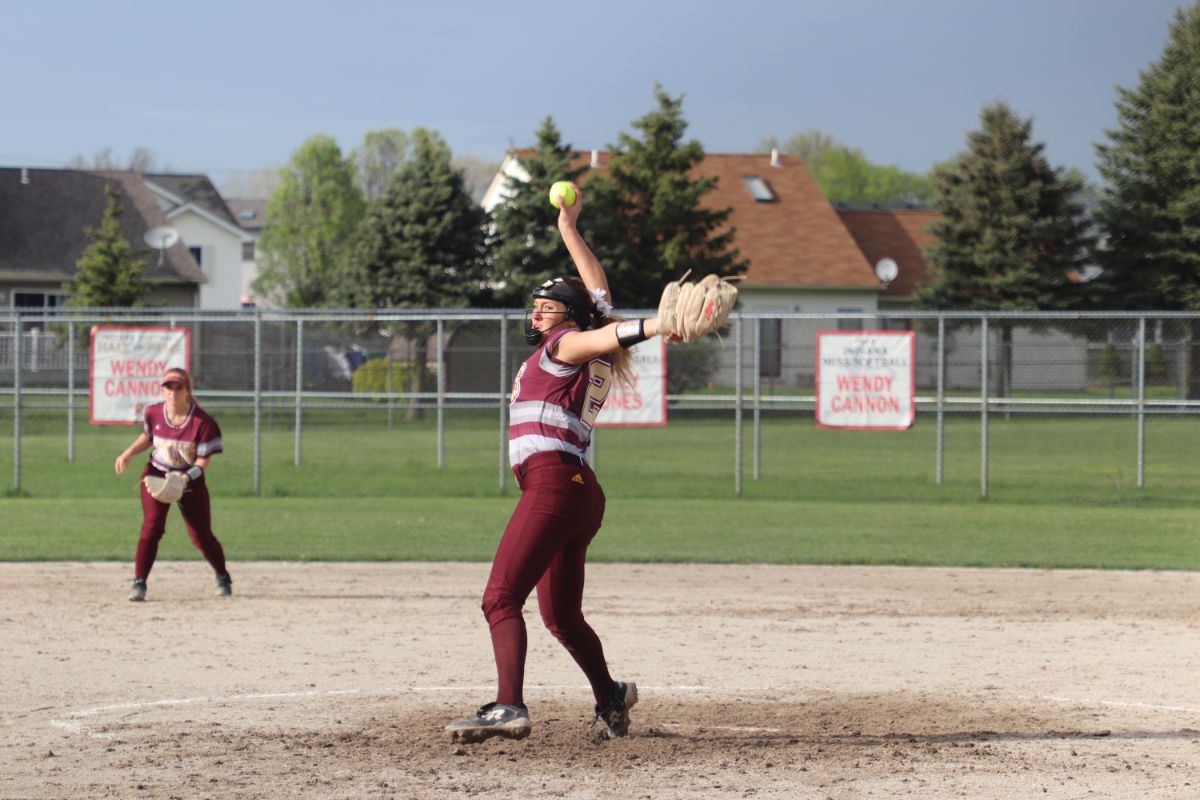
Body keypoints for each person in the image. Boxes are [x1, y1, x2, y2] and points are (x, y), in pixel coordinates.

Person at [446, 184, 665, 744]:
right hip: (579, 489)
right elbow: (599, 296)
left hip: (551, 482)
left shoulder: (565, 345)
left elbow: (610, 325)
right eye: (538, 305)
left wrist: (658, 325)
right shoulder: (584, 339)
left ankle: (508, 705)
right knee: (562, 618)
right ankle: (611, 696)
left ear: (568, 318)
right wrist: (569, 228)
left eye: (549, 305)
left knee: (499, 597)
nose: (538, 312)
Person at [114, 367, 232, 602]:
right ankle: (139, 583)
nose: (173, 392)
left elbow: (203, 461)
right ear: (162, 390)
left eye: (179, 387)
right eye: (168, 387)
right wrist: (128, 453)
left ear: (188, 390)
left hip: (190, 481)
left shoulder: (203, 422)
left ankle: (222, 575)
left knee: (201, 536)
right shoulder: (154, 413)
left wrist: (184, 478)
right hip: (157, 474)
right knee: (152, 526)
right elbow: (148, 437)